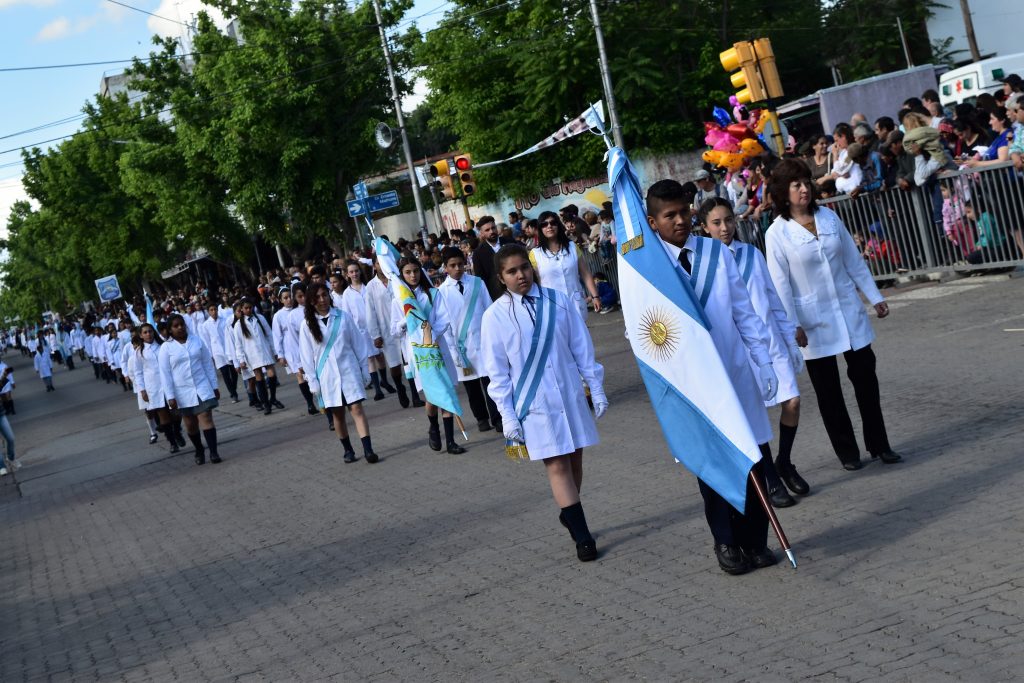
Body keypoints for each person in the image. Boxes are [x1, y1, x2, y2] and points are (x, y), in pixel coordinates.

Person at [645, 179, 779, 574]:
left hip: (735, 374)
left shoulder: (716, 254)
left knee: (752, 459)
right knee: (714, 466)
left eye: (684, 212)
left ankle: (756, 540)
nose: (680, 220)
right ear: (653, 221)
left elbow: (744, 312)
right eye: (669, 215)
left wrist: (764, 360)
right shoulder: (650, 270)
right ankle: (726, 540)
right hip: (694, 386)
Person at [764, 159, 902, 471]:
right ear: (783, 193)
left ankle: (880, 445)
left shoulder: (828, 217)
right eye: (796, 184)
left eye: (805, 182)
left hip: (848, 311)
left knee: (866, 378)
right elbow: (780, 284)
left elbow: (854, 262)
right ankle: (848, 453)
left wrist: (875, 297)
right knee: (829, 391)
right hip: (812, 322)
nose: (804, 188)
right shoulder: (777, 234)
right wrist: (791, 325)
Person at [480, 244, 608, 563]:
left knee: (575, 457)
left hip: (568, 393)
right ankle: (583, 535)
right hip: (534, 403)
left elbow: (581, 346)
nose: (521, 274)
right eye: (512, 271)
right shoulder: (494, 317)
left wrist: (596, 385)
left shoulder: (558, 301)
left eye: (524, 267)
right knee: (557, 463)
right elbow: (497, 374)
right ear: (501, 277)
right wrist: (507, 416)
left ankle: (570, 510)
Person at [698, 198, 808, 501]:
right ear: (705, 228)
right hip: (740, 352)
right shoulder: (705, 265)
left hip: (771, 344)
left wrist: (788, 337)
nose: (725, 228)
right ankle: (771, 479)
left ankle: (783, 461)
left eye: (729, 220)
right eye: (717, 223)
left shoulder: (751, 254)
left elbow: (772, 298)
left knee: (793, 402)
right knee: (754, 418)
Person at [390, 254, 466, 454]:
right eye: (408, 272)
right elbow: (394, 331)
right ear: (402, 275)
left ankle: (451, 441)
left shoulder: (433, 293)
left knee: (447, 390)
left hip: (437, 348)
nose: (413, 275)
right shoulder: (399, 299)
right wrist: (408, 321)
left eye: (415, 271)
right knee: (432, 396)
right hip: (419, 354)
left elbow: (443, 319)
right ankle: (433, 426)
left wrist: (431, 333)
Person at [299, 283, 379, 464]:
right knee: (338, 414)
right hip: (327, 376)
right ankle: (348, 450)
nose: (322, 300)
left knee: (357, 409)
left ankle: (368, 449)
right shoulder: (306, 325)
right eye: (317, 297)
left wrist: (365, 369)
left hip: (348, 371)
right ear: (311, 301)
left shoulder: (343, 317)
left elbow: (358, 344)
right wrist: (312, 381)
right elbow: (305, 356)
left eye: (325, 295)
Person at [435, 246, 502, 434]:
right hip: (460, 346)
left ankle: (497, 417)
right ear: (445, 268)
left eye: (460, 264)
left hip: (482, 339)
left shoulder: (477, 283)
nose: (457, 268)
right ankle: (481, 418)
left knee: (490, 380)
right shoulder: (442, 292)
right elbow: (444, 322)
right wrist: (453, 349)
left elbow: (489, 310)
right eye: (452, 265)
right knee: (471, 385)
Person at [158, 314, 222, 465]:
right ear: (170, 330)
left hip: (202, 385)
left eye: (181, 324)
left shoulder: (197, 341)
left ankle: (213, 452)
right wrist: (170, 396)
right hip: (182, 392)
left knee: (206, 417)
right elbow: (165, 374)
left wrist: (214, 386)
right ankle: (199, 449)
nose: (180, 327)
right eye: (175, 326)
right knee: (190, 424)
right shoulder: (166, 348)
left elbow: (207, 364)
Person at [364, 257, 416, 409]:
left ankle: (414, 393)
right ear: (375, 265)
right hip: (386, 329)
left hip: (403, 326)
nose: (382, 266)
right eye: (378, 263)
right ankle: (400, 388)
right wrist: (375, 335)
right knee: (394, 364)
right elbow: (370, 312)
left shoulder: (396, 279)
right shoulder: (371, 286)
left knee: (408, 361)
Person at [528, 211, 602, 319]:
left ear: (558, 225)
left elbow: (585, 274)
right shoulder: (535, 254)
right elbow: (536, 283)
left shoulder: (572, 247)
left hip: (575, 303)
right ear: (540, 228)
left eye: (553, 223)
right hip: (551, 307)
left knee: (581, 334)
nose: (549, 226)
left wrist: (595, 296)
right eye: (544, 224)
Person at [342, 260, 396, 402]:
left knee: (380, 356)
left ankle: (384, 381)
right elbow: (347, 314)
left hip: (376, 327)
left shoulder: (369, 287)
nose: (354, 274)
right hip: (360, 331)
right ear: (347, 274)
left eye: (356, 271)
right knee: (370, 358)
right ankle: (378, 389)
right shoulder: (347, 294)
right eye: (351, 272)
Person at [134, 322, 185, 453]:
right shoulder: (139, 352)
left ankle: (177, 431)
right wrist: (142, 390)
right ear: (141, 335)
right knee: (163, 416)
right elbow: (138, 372)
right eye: (145, 332)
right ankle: (172, 442)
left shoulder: (163, 346)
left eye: (150, 331)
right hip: (154, 387)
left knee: (176, 412)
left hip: (169, 383)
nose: (148, 334)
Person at [232, 298, 282, 415]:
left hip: (265, 350)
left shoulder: (260, 318)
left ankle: (273, 398)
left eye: (250, 307)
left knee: (272, 374)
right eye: (246, 308)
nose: (249, 310)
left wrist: (275, 351)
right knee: (259, 378)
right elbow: (238, 344)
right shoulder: (238, 325)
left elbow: (269, 334)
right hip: (252, 354)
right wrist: (241, 359)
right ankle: (266, 404)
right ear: (242, 310)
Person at [200, 302, 240, 403]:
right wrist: (210, 355)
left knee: (234, 372)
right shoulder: (205, 325)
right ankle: (233, 394)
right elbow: (207, 342)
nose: (214, 312)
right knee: (225, 374)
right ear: (208, 312)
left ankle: (233, 388)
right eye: (211, 310)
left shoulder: (224, 321)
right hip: (217, 352)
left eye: (215, 309)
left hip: (228, 349)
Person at [470, 216, 510, 300]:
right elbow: (481, 279)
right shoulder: (478, 253)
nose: (491, 231)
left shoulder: (509, 242)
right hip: (497, 295)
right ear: (481, 233)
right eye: (487, 230)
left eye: (493, 228)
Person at [0, 363, 20, 476]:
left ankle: (11, 459)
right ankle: (1, 466)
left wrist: (5, 375)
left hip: (0, 413)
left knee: (10, 438)